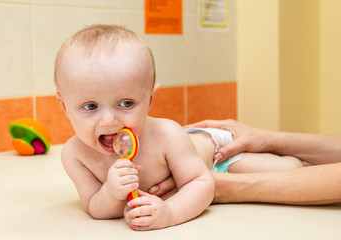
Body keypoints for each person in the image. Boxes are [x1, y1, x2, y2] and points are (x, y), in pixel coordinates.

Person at [53, 24, 214, 231]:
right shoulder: (75, 155)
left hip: (217, 152)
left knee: (262, 165)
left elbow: (201, 182)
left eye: (126, 103)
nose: (109, 121)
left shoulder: (168, 134)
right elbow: (95, 207)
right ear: (64, 107)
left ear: (150, 100)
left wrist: (170, 212)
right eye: (91, 106)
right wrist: (111, 192)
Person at [149, 119, 341, 205]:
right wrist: (268, 138)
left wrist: (211, 186)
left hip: (218, 155)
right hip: (219, 146)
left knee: (292, 166)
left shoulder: (165, 131)